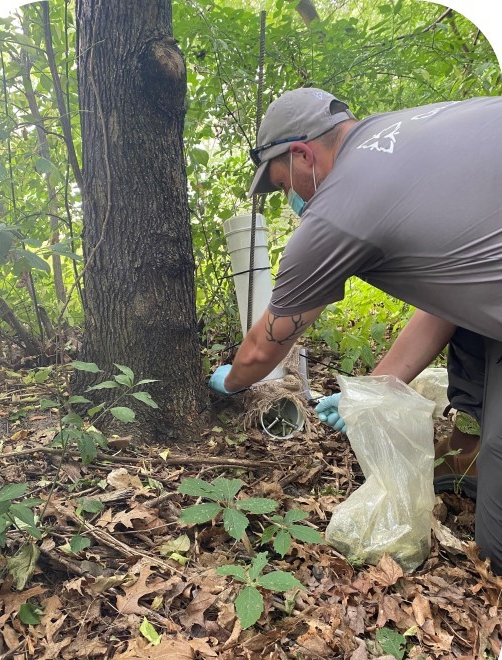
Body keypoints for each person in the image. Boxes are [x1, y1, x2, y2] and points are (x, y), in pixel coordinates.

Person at [208, 87, 502, 575]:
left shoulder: (339, 208)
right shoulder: (407, 130)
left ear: (302, 155)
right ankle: (473, 455)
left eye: (285, 186)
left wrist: (231, 382)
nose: (291, 199)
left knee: (495, 546)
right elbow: (450, 304)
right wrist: (368, 391)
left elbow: (263, 349)